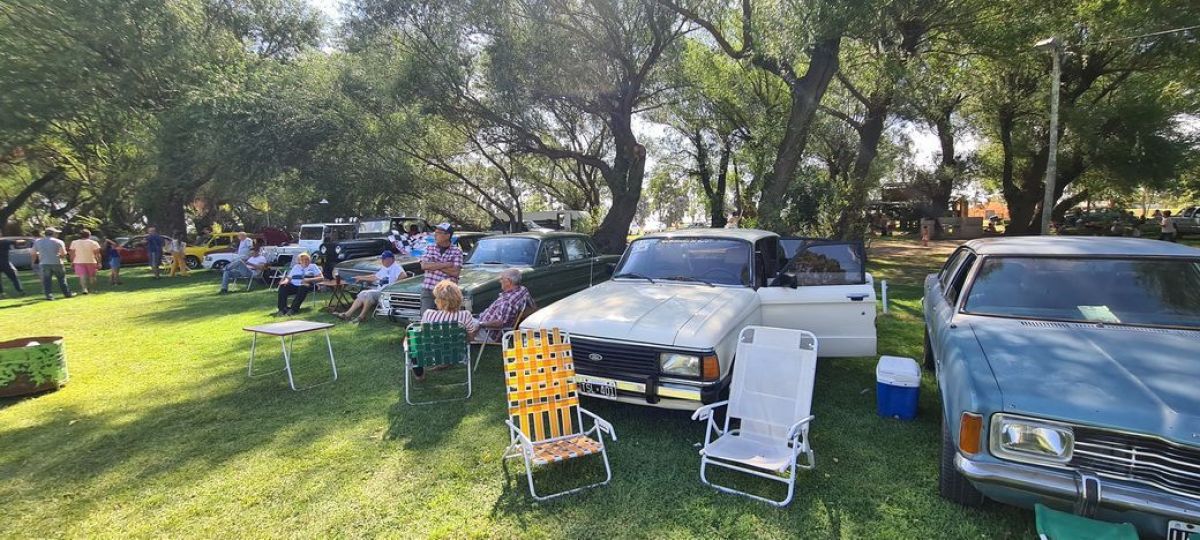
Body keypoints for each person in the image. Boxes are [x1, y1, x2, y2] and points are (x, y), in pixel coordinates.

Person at [414, 279, 478, 380]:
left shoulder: (429, 314)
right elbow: (471, 337)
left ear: (439, 300)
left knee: (412, 343)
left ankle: (419, 375)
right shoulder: (465, 315)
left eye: (436, 298)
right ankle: (445, 361)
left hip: (430, 354)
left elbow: (422, 334)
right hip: (457, 353)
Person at [334, 250, 409, 323]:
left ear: (391, 259)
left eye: (384, 259)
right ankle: (347, 314)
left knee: (369, 295)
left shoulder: (396, 267)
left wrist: (393, 285)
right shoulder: (385, 267)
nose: (382, 260)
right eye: (382, 259)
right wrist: (360, 278)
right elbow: (375, 277)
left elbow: (404, 275)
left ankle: (362, 316)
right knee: (363, 293)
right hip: (380, 291)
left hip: (386, 293)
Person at [473, 268, 533, 342]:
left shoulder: (507, 301)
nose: (500, 281)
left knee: (461, 322)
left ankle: (462, 345)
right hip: (482, 322)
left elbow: (501, 323)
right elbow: (533, 308)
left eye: (501, 279)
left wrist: (481, 324)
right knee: (464, 317)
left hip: (488, 333)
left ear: (508, 282)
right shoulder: (523, 290)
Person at [418, 223, 463, 313]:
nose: (435, 234)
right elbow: (424, 266)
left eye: (438, 232)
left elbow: (455, 273)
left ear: (447, 236)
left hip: (447, 292)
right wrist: (447, 264)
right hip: (429, 289)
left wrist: (434, 265)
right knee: (426, 318)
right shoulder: (429, 248)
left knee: (447, 318)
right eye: (435, 232)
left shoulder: (457, 251)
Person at [32, 228, 73, 300]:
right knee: (62, 279)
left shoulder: (38, 242)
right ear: (53, 234)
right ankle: (67, 293)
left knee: (47, 280)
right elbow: (63, 253)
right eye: (56, 233)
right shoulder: (59, 241)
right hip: (57, 262)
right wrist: (61, 256)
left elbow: (33, 253)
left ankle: (49, 295)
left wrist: (33, 262)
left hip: (44, 263)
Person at [68, 229, 102, 294]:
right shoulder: (93, 243)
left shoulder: (74, 242)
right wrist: (99, 262)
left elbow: (72, 253)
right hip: (91, 261)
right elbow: (97, 254)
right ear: (89, 235)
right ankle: (93, 289)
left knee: (82, 276)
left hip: (78, 261)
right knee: (92, 276)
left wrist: (72, 262)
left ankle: (84, 289)